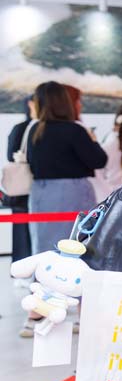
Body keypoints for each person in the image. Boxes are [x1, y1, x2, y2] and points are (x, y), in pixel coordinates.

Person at [26, 82, 106, 255]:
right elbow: (99, 160)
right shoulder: (74, 130)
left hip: (41, 192)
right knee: (76, 242)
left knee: (44, 244)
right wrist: (93, 140)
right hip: (72, 192)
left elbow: (31, 162)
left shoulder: (35, 130)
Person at [5, 94, 36, 264]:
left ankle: (21, 267)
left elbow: (10, 154)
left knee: (21, 230)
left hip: (23, 188)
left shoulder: (21, 128)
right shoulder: (25, 128)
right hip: (27, 186)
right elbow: (12, 156)